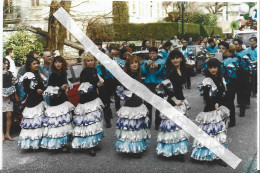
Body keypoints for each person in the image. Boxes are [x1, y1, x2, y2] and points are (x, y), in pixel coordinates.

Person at [191, 58, 229, 167]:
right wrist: (214, 104)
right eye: (210, 67)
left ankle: (217, 156)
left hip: (218, 109)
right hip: (210, 109)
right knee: (209, 133)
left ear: (218, 68)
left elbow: (223, 93)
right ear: (208, 69)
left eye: (215, 67)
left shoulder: (220, 78)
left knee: (218, 134)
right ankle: (203, 155)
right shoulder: (207, 80)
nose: (213, 69)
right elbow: (206, 96)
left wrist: (220, 104)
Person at [155, 50, 190, 160]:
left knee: (178, 127)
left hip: (180, 99)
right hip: (172, 101)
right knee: (172, 127)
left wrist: (183, 99)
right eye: (173, 58)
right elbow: (166, 87)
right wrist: (175, 100)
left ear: (181, 58)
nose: (175, 60)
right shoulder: (170, 71)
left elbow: (180, 87)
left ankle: (178, 151)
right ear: (170, 60)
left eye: (177, 57)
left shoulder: (182, 69)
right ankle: (170, 151)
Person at [115, 55, 151, 155]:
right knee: (130, 127)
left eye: (136, 62)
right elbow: (119, 90)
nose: (134, 64)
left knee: (138, 127)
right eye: (132, 63)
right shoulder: (125, 75)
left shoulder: (141, 74)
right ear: (128, 65)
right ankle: (128, 148)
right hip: (129, 105)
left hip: (139, 103)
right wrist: (123, 95)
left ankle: (137, 147)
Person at [72, 52, 105, 156]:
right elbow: (85, 89)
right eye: (88, 61)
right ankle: (89, 146)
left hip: (93, 99)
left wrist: (97, 86)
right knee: (88, 124)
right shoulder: (85, 71)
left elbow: (94, 85)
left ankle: (92, 144)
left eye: (92, 60)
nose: (90, 62)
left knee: (93, 123)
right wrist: (97, 85)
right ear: (85, 62)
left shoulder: (94, 70)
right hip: (86, 102)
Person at [41, 56, 74, 152]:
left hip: (63, 100)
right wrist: (60, 88)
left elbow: (66, 86)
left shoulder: (63, 73)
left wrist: (65, 88)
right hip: (55, 102)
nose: (58, 64)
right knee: (57, 123)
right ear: (53, 64)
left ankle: (64, 142)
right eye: (56, 62)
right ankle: (59, 145)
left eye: (60, 62)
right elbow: (50, 91)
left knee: (64, 122)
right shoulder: (53, 75)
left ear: (63, 63)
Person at [18, 56, 47, 149]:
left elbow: (42, 86)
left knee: (41, 121)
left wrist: (43, 89)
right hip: (32, 102)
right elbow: (26, 89)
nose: (36, 65)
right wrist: (36, 91)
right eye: (34, 64)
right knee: (34, 122)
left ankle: (41, 141)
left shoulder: (38, 74)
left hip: (40, 100)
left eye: (37, 63)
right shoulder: (27, 75)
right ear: (29, 65)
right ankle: (33, 143)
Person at [141, 47, 165, 130]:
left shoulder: (162, 61)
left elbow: (162, 72)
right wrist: (146, 65)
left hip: (158, 84)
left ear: (157, 54)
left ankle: (158, 123)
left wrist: (157, 66)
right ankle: (148, 122)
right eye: (150, 53)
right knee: (148, 105)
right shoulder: (144, 62)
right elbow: (143, 72)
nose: (152, 55)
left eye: (154, 53)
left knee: (158, 105)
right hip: (148, 84)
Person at [221, 44, 238, 127]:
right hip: (228, 84)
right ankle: (229, 121)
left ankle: (230, 121)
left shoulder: (229, 60)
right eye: (219, 48)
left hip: (229, 84)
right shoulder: (236, 59)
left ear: (229, 51)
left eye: (223, 49)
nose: (221, 50)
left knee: (228, 102)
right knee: (227, 102)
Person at [234, 39, 252, 116]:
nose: (235, 46)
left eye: (236, 44)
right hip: (236, 74)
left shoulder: (246, 52)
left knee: (245, 90)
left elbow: (248, 63)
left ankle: (245, 104)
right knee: (238, 90)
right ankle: (240, 103)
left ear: (241, 45)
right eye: (234, 44)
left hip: (244, 74)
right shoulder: (233, 53)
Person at [2, 58, 17, 142]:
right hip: (1, 97)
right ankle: (2, 134)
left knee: (9, 115)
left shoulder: (9, 73)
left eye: (7, 63)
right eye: (4, 63)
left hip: (8, 96)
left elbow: (13, 83)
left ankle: (7, 133)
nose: (6, 65)